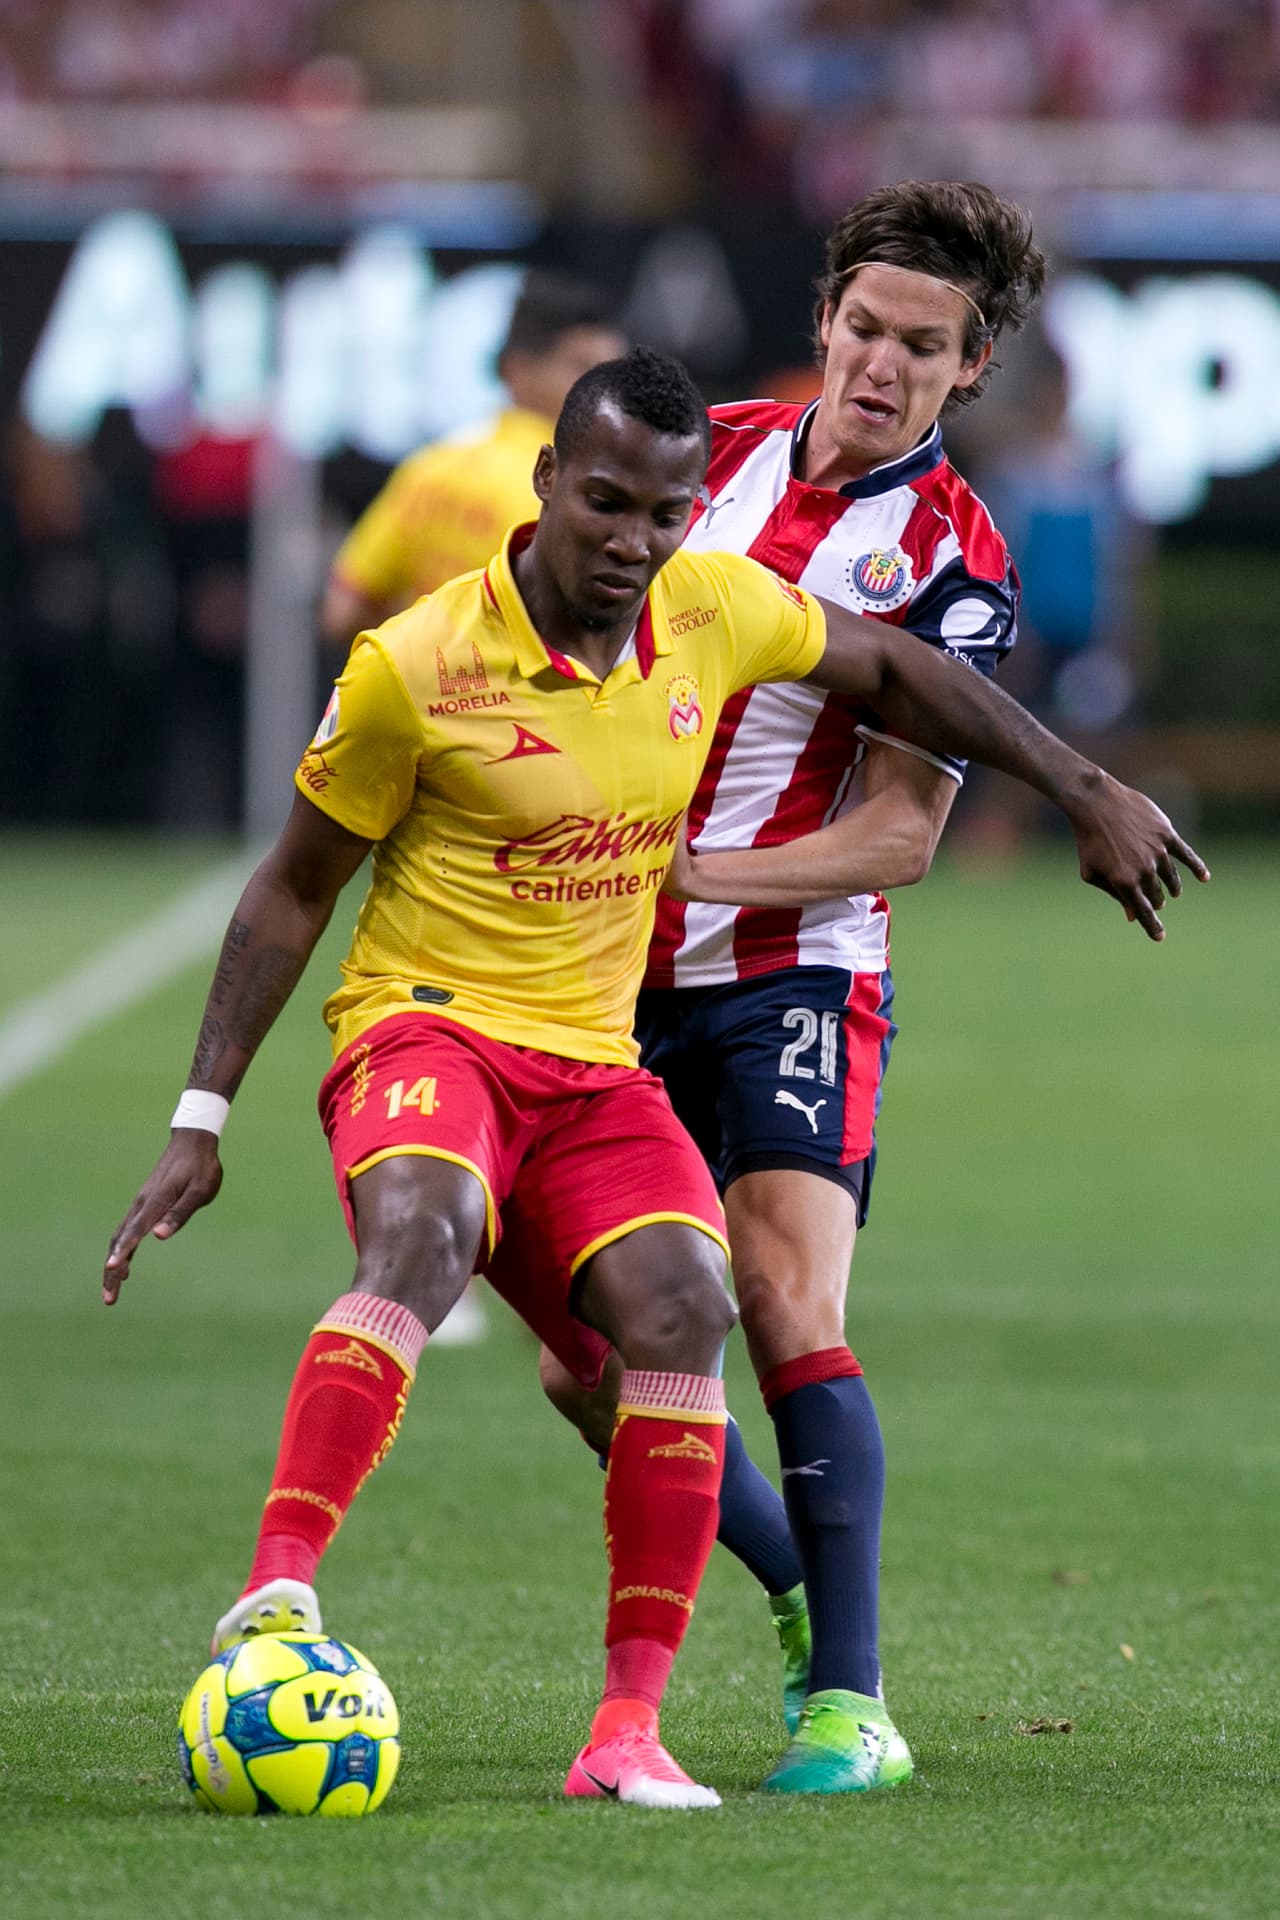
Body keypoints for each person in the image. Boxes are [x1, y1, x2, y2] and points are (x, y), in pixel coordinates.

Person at [103, 348, 1204, 1812]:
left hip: (596, 1059)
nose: (632, 542)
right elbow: (291, 893)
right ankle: (278, 1600)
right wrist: (200, 1118)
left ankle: (626, 1737)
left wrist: (1082, 784)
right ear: (548, 485)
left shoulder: (709, 610)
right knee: (423, 1235)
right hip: (428, 1029)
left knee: (685, 1313)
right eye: (606, 503)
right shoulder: (416, 663)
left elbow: (898, 669)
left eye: (665, 514)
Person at [532, 182, 1177, 1796]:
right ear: (825, 318)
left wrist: (701, 877)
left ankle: (852, 1702)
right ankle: (807, 1580)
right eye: (868, 329)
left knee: (779, 1296)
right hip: (607, 970)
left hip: (792, 971)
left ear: (971, 374)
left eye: (926, 348)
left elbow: (894, 835)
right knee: (575, 1357)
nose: (884, 364)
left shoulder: (955, 557)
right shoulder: (709, 459)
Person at [322, 268, 626, 646]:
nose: (604, 391)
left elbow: (344, 612)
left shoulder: (428, 470)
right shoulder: (583, 493)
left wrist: (437, 645)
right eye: (581, 367)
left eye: (613, 374)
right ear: (517, 369)